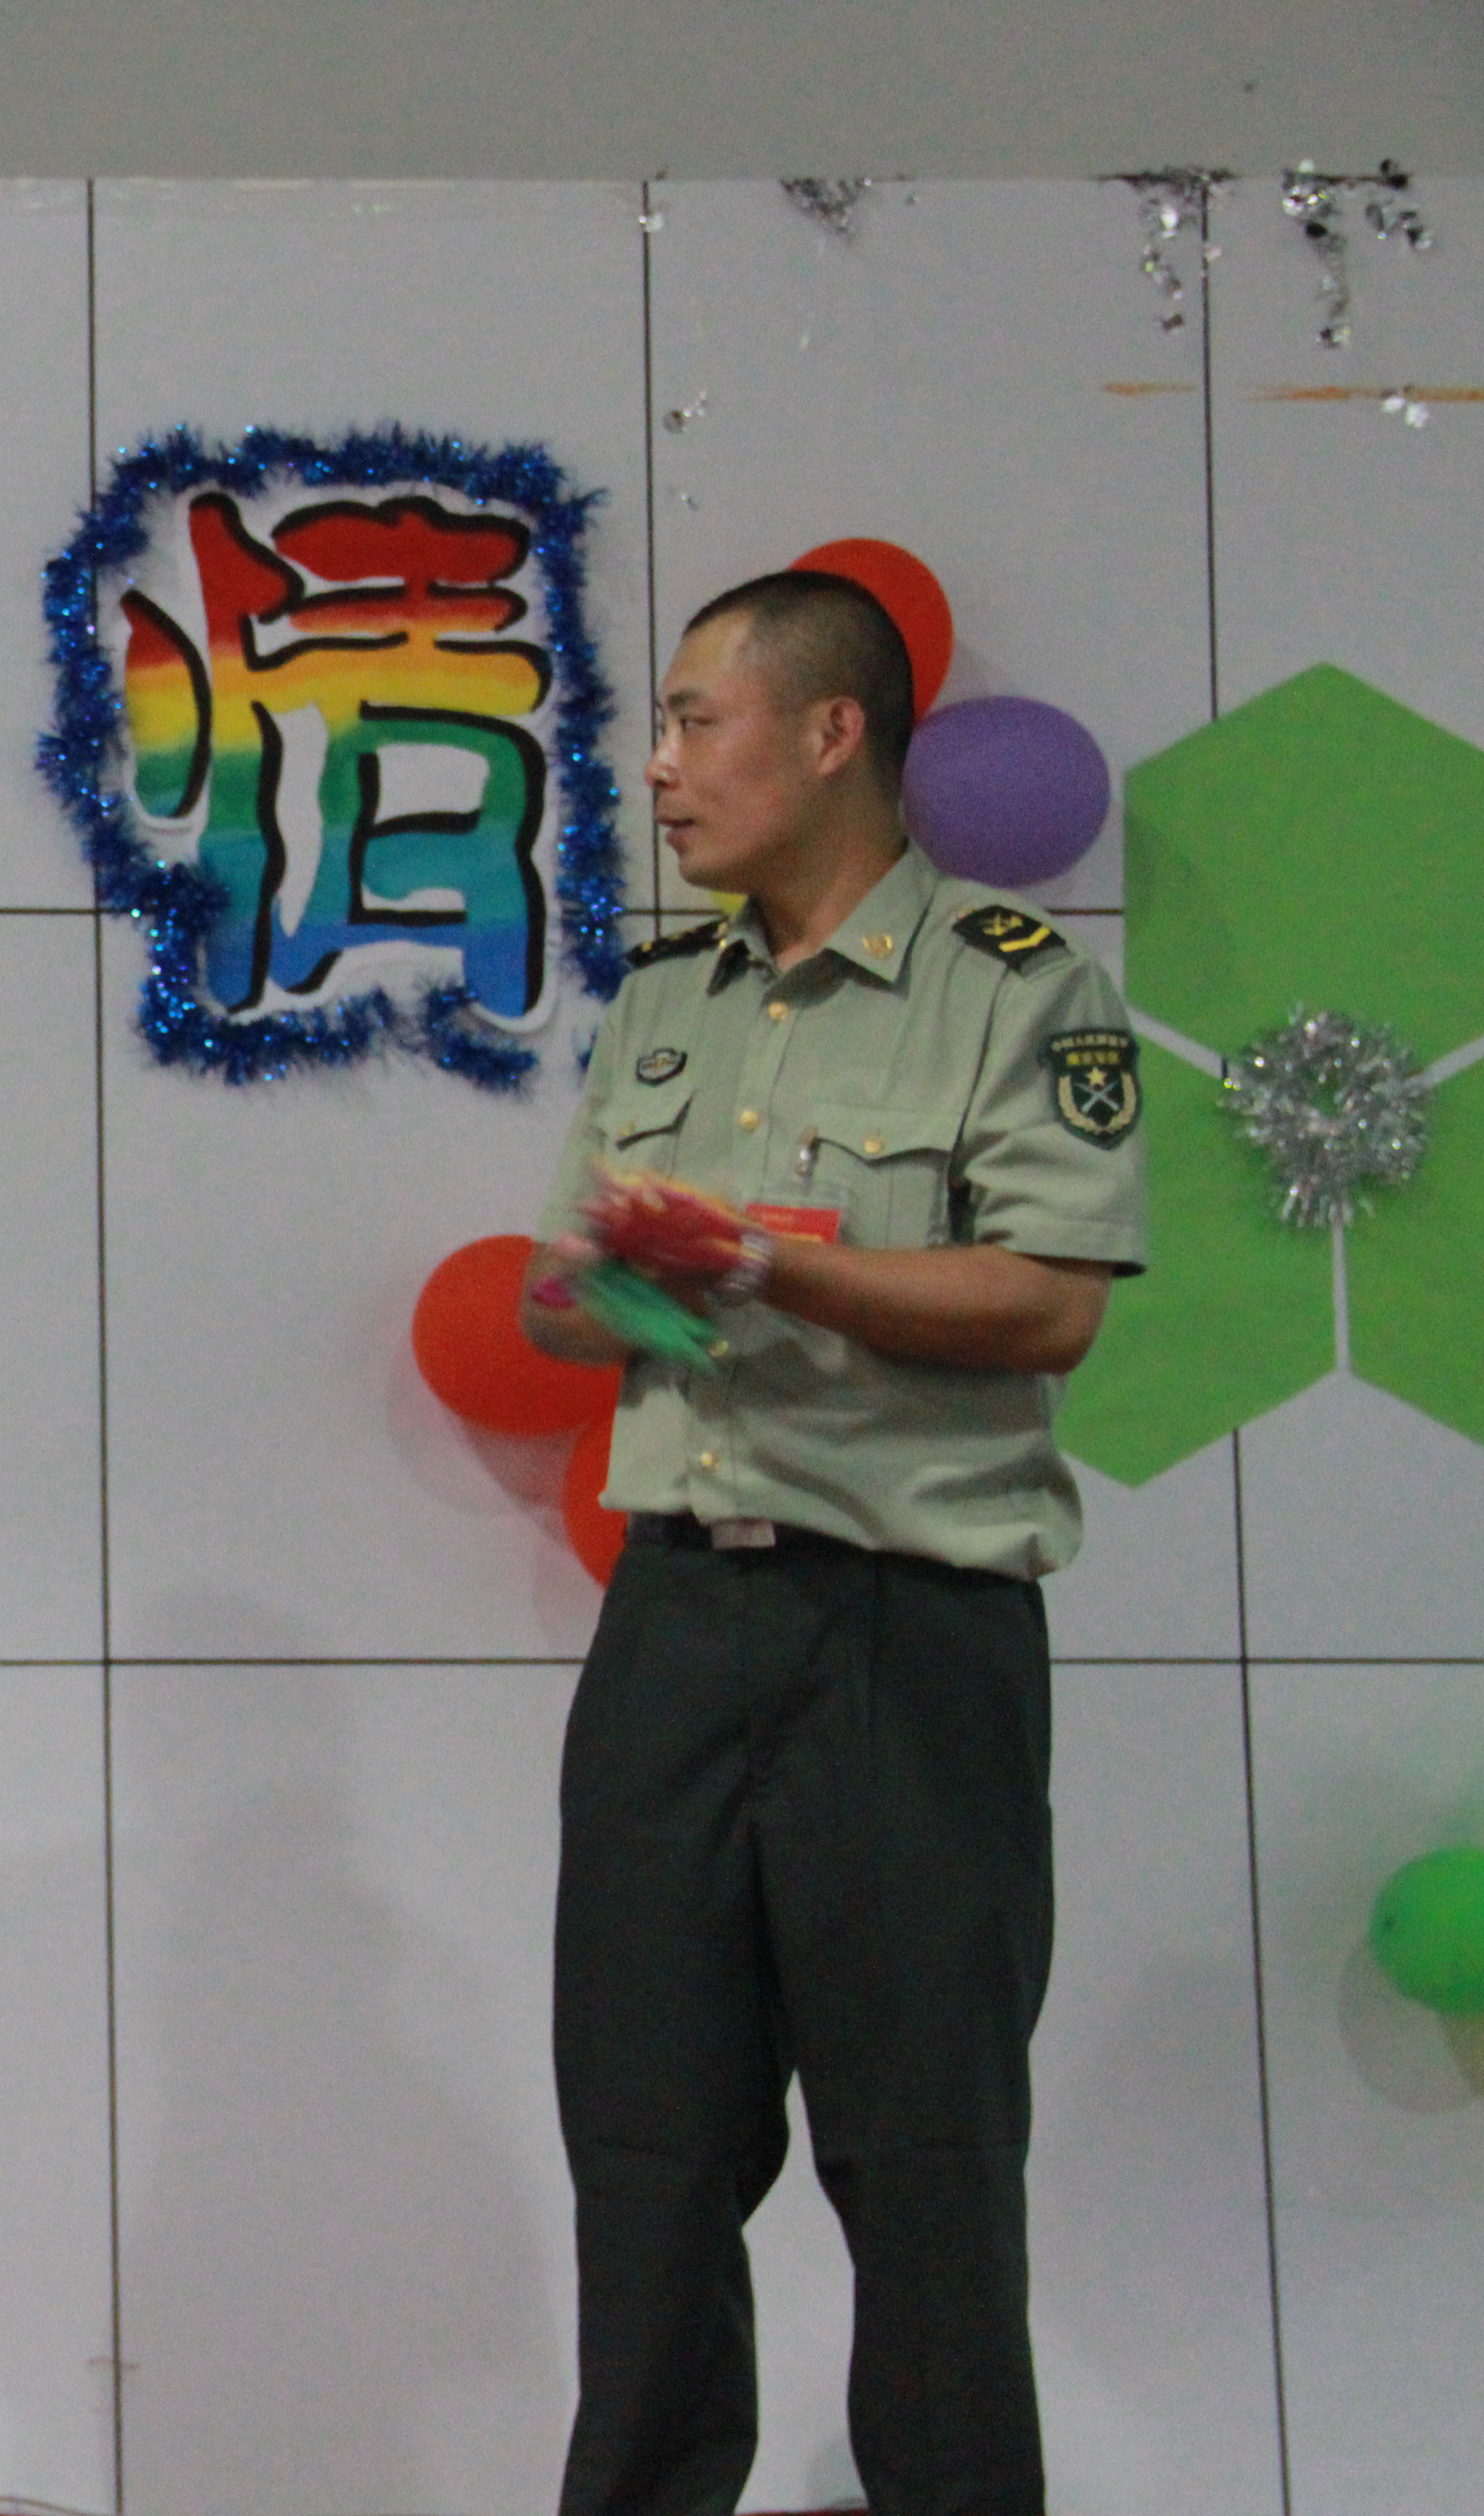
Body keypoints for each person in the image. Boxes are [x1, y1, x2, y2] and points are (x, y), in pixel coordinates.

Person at [521, 572, 1149, 2516]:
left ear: (829, 732)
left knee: (927, 2167)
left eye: (697, 720)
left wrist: (774, 1262)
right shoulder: (665, 999)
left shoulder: (1016, 986)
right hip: (675, 1625)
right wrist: (624, 1283)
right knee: (646, 2157)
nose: (659, 766)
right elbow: (567, 1304)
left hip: (907, 1635)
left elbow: (1050, 1302)